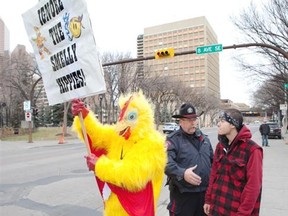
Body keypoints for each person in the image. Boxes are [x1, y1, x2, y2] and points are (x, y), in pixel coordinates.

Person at [71, 91, 167, 216]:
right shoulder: (119, 136)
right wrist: (84, 116)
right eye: (122, 117)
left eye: (130, 117)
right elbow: (97, 136)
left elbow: (132, 176)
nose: (122, 123)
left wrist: (99, 166)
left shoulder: (153, 143)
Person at [204, 109, 263, 216]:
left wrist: (243, 213)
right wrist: (208, 199)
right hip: (217, 207)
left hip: (236, 211)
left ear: (232, 124)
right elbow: (213, 175)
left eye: (222, 121)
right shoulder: (220, 146)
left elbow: (253, 187)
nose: (218, 124)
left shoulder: (252, 150)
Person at [165, 103, 214, 216]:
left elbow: (213, 162)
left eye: (194, 119)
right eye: (188, 119)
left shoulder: (204, 139)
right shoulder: (172, 140)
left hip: (204, 195)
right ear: (181, 122)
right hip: (184, 196)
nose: (193, 122)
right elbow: (165, 162)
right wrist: (183, 173)